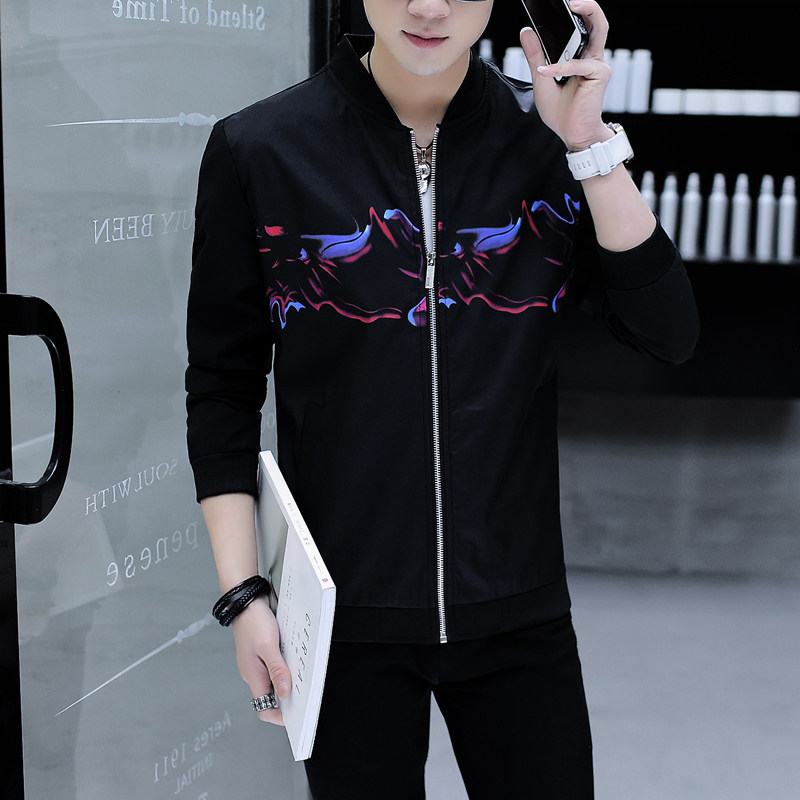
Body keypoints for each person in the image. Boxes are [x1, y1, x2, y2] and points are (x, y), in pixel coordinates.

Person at [185, 1, 699, 797]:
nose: (429, 7)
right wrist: (245, 594)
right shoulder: (260, 148)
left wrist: (587, 145)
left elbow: (668, 333)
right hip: (345, 620)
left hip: (518, 611)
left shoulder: (548, 144)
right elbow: (222, 386)